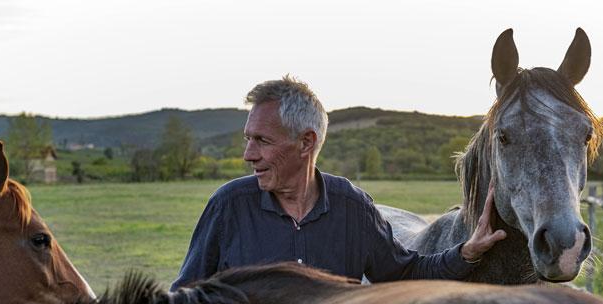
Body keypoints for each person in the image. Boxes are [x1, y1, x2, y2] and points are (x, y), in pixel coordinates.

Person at [171, 76, 505, 290]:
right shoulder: (229, 206)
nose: (248, 154)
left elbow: (405, 273)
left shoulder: (353, 208)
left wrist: (467, 252)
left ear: (306, 143)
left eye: (262, 140)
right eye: (248, 139)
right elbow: (185, 298)